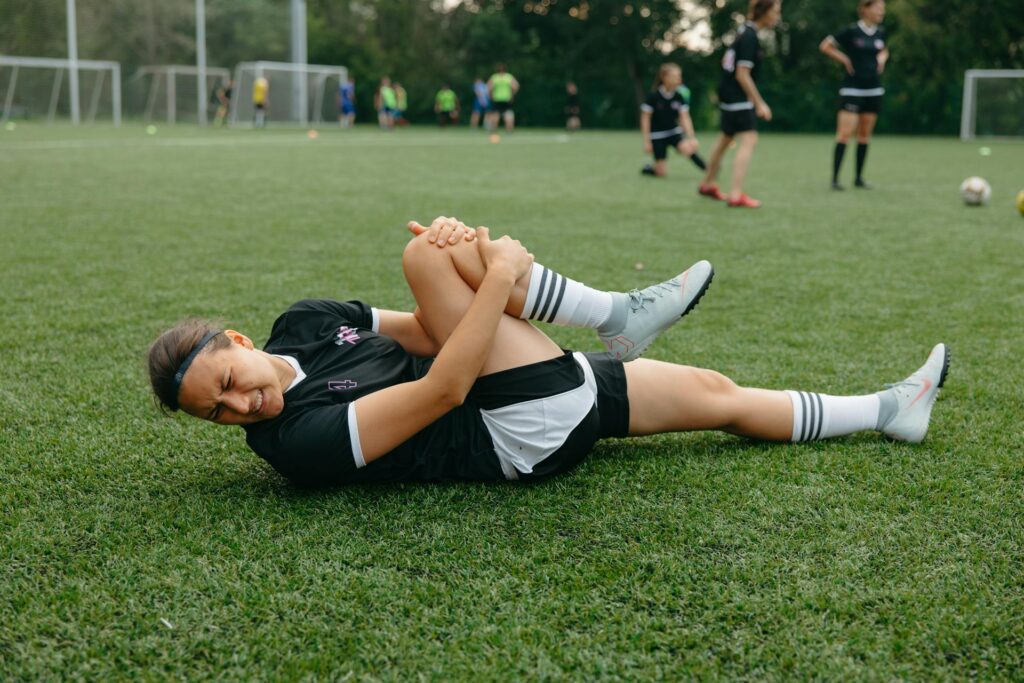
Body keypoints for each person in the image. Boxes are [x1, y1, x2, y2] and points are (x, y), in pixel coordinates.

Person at [148, 217, 950, 488]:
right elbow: (446, 386)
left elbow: (433, 334)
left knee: (716, 389)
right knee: (428, 255)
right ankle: (613, 313)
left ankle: (890, 411)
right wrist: (491, 271)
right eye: (217, 414)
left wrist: (476, 271)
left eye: (228, 381)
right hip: (510, 432)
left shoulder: (308, 321)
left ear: (242, 342)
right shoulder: (294, 445)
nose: (239, 406)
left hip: (520, 384)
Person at [698, 0, 781, 208]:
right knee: (749, 139)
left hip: (727, 95)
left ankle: (707, 183)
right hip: (737, 97)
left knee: (725, 139)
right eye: (776, 12)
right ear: (765, 13)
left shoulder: (743, 31)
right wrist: (759, 103)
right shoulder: (750, 36)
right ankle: (735, 195)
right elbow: (742, 74)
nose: (778, 17)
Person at [820, 0, 889, 190]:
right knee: (844, 134)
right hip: (852, 89)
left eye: (883, 9)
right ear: (865, 9)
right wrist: (844, 59)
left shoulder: (880, 32)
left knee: (864, 135)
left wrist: (882, 58)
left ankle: (859, 178)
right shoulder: (851, 31)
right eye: (877, 8)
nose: (881, 12)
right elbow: (825, 46)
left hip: (874, 89)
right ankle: (835, 179)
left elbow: (884, 49)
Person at [640, 63, 706, 178]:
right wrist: (647, 141)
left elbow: (684, 117)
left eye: (679, 76)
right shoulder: (653, 96)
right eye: (675, 77)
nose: (678, 80)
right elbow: (645, 118)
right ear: (664, 77)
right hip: (657, 135)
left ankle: (709, 170)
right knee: (661, 173)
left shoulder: (679, 96)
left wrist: (691, 137)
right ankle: (648, 169)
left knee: (687, 149)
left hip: (673, 132)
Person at [487, 65, 520, 132]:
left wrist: (491, 95)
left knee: (496, 114)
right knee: (508, 114)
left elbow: (489, 87)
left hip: (497, 98)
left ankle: (494, 130)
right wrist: (512, 94)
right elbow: (516, 86)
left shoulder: (495, 77)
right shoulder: (508, 77)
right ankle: (509, 130)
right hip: (507, 98)